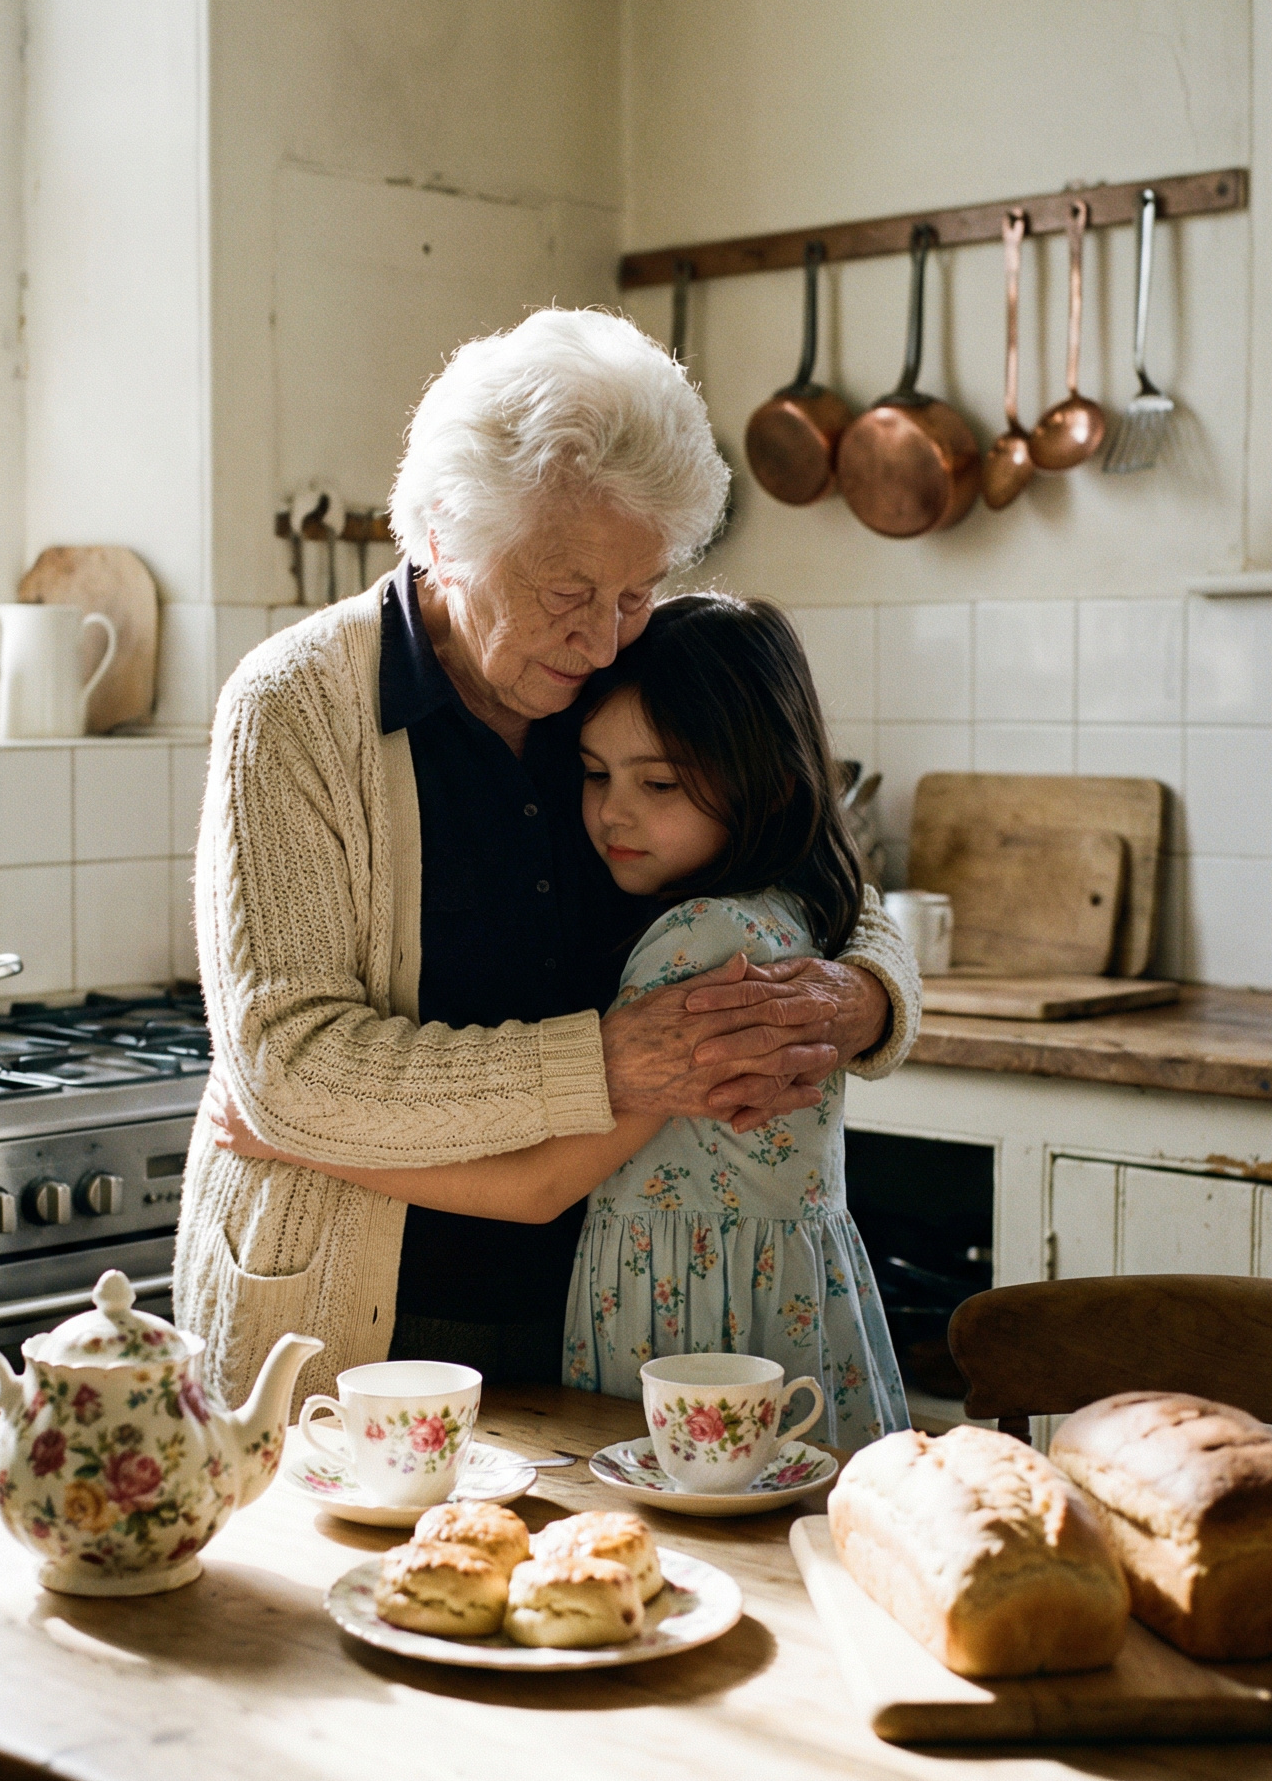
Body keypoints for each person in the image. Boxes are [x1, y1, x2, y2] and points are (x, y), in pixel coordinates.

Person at [174, 306, 920, 1409]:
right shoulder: (292, 708)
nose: (605, 637)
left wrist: (860, 1000)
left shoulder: (631, 676)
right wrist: (604, 1066)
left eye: (637, 592)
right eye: (569, 594)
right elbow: (288, 1064)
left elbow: (818, 875)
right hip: (350, 1321)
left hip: (603, 1321)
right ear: (442, 538)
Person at [215, 593, 908, 1450]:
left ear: (770, 790)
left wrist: (296, 1140)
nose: (613, 812)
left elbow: (538, 1189)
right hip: (775, 1310)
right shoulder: (788, 908)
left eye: (658, 783)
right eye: (594, 773)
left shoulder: (701, 947)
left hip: (696, 1338)